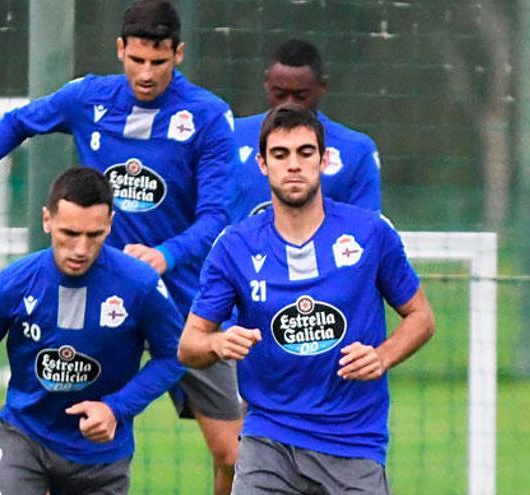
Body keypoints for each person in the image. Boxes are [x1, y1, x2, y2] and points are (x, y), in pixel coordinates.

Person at [0, 1, 242, 491]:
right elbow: (18, 122)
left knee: (234, 456)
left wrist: (166, 255)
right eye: (136, 60)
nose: (146, 73)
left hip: (183, 303)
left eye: (158, 62)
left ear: (178, 54)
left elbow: (216, 215)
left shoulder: (206, 116)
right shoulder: (90, 98)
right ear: (120, 49)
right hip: (95, 290)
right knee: (60, 405)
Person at [178, 104, 435, 494]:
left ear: (324, 159)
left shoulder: (369, 234)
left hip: (353, 442)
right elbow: (188, 346)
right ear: (263, 165)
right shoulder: (235, 246)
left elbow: (421, 317)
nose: (293, 165)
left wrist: (382, 356)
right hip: (268, 439)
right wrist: (217, 342)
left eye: (305, 152)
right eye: (280, 155)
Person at [0, 167, 186, 494]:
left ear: (110, 224)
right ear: (47, 220)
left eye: (93, 235)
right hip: (24, 439)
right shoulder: (15, 283)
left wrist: (117, 408)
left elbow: (175, 356)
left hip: (101, 459)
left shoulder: (139, 285)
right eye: (69, 233)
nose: (80, 249)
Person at [232, 39, 382, 221]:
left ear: (322, 87)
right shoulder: (231, 137)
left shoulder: (356, 150)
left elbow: (366, 228)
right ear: (266, 83)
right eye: (279, 94)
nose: (289, 103)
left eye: (301, 96)